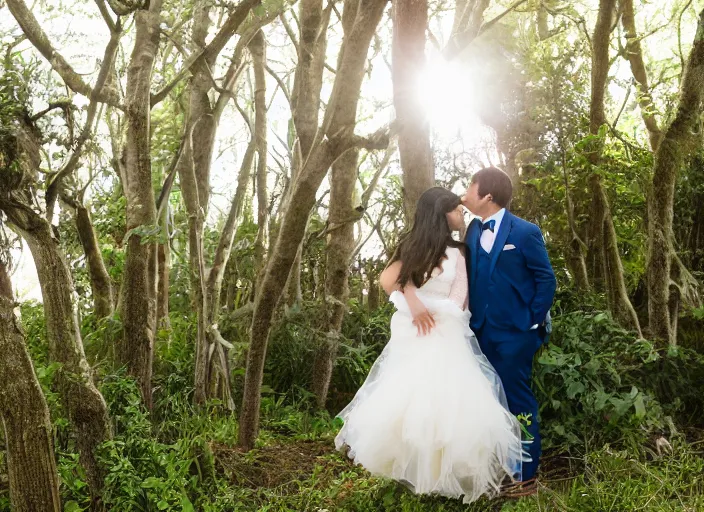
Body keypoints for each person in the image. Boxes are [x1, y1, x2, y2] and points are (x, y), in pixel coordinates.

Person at [334, 187, 524, 504]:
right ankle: (412, 470)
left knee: (447, 400)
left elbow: (460, 296)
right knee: (410, 398)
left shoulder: (459, 251)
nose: (462, 213)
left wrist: (437, 313)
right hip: (413, 326)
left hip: (446, 328)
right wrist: (414, 304)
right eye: (456, 209)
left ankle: (441, 475)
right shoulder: (413, 245)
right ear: (442, 212)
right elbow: (390, 279)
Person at [461, 166, 556, 497]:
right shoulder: (472, 231)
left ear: (487, 195)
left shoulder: (525, 232)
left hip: (516, 335)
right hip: (480, 332)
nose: (465, 193)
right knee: (488, 401)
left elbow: (546, 279)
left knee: (518, 400)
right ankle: (497, 466)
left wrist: (531, 320)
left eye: (470, 187)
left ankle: (526, 475)